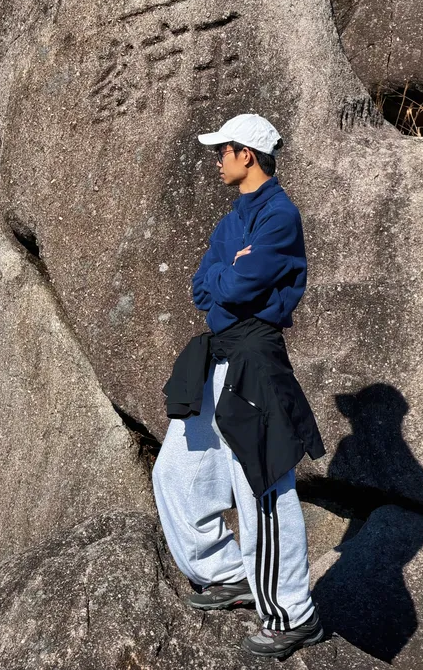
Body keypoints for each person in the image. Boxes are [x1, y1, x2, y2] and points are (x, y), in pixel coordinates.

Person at [152, 113, 326, 660]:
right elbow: (203, 284)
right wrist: (228, 272)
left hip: (257, 357)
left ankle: (292, 615)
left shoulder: (280, 215)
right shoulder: (233, 220)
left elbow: (240, 282)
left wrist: (229, 274)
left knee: (263, 487)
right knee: (176, 470)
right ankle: (227, 574)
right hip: (220, 356)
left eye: (222, 150)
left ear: (246, 154)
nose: (217, 159)